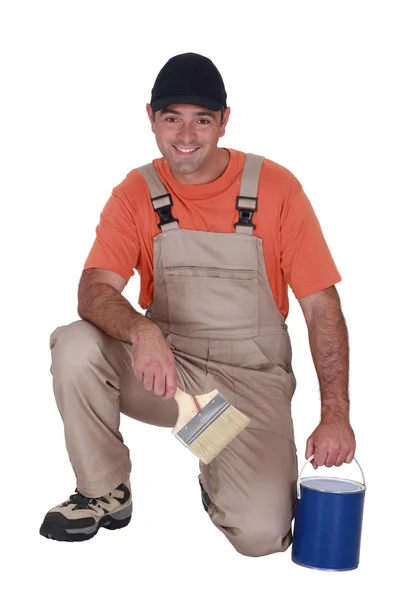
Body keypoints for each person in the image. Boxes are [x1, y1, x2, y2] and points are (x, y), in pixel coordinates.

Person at [40, 52, 356, 556]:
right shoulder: (137, 191)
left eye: (202, 120)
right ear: (151, 118)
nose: (185, 135)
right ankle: (105, 491)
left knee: (262, 537)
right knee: (75, 344)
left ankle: (218, 468)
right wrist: (143, 334)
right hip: (169, 374)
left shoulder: (276, 189)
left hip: (251, 382)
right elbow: (93, 290)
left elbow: (322, 306)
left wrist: (335, 413)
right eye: (172, 118)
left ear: (224, 121)